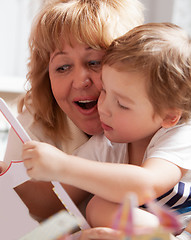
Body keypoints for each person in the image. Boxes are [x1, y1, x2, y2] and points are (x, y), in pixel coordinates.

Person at [22, 22, 191, 240]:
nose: (104, 108)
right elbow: (53, 200)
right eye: (104, 91)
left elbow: (144, 184)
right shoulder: (107, 144)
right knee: (97, 207)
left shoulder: (180, 136)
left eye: (121, 104)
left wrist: (62, 165)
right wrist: (10, 174)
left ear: (169, 116)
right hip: (150, 231)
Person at [0, 0, 144, 222]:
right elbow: (40, 208)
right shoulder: (33, 126)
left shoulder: (162, 121)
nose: (80, 81)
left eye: (95, 62)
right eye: (63, 67)